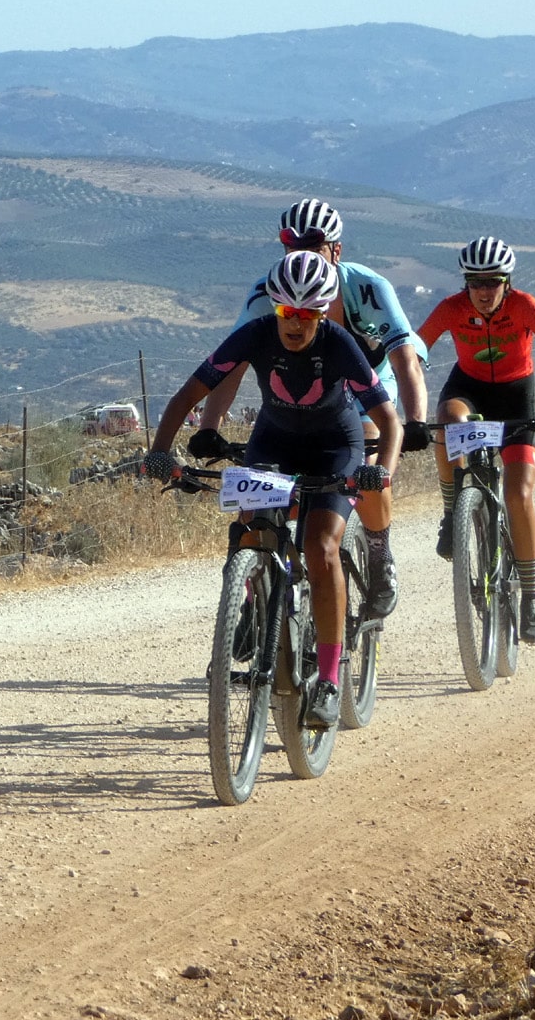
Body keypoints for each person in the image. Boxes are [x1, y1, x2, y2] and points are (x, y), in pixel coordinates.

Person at [144, 251, 401, 727]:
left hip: (334, 446)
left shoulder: (340, 343)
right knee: (249, 527)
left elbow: (389, 421)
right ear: (275, 308)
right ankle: (242, 612)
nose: (296, 324)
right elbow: (188, 396)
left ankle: (328, 677)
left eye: (307, 314)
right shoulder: (255, 334)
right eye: (286, 312)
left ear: (322, 313)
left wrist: (379, 469)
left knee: (321, 548)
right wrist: (160, 451)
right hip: (274, 441)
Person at [190, 198, 427, 619]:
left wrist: (417, 422)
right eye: (291, 246)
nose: (299, 255)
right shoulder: (269, 292)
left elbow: (405, 359)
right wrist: (209, 425)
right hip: (308, 394)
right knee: (265, 494)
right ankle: (253, 604)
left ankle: (378, 553)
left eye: (313, 247)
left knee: (370, 446)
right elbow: (230, 367)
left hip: (370, 382)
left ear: (336, 250)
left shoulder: (368, 287)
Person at [417, 236, 535, 643]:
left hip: (516, 397)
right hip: (468, 389)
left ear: (506, 283)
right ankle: (454, 510)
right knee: (448, 421)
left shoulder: (524, 305)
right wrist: (408, 404)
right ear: (465, 284)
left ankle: (531, 595)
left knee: (518, 495)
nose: (484, 291)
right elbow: (414, 351)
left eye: (493, 282)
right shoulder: (451, 309)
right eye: (476, 283)